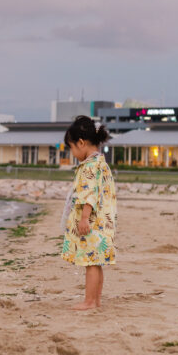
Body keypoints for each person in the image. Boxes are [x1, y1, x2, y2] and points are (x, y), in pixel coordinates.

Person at [59, 115, 117, 310]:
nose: (73, 153)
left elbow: (89, 194)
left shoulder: (89, 167)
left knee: (90, 263)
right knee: (96, 262)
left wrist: (84, 218)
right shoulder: (101, 163)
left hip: (92, 222)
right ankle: (96, 300)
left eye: (72, 148)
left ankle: (90, 301)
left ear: (81, 143)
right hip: (103, 221)